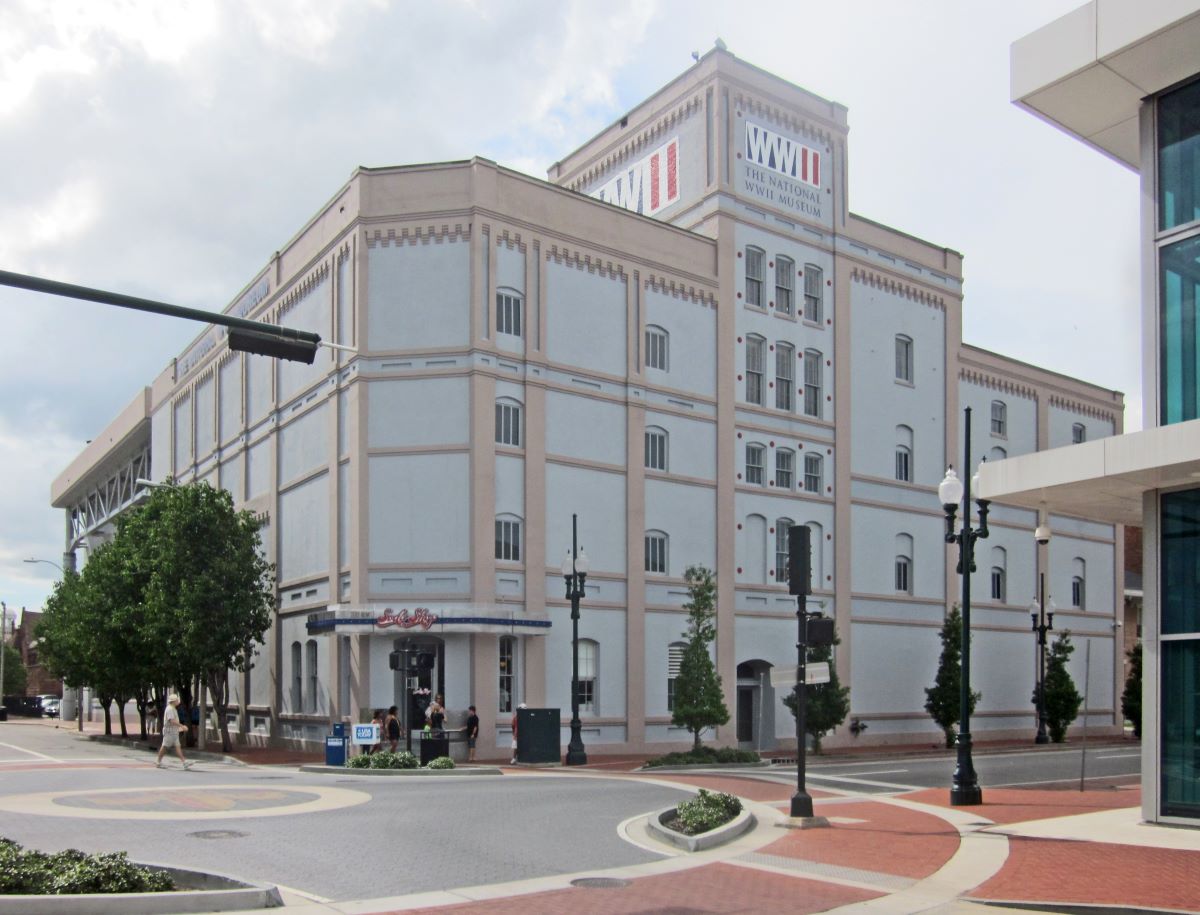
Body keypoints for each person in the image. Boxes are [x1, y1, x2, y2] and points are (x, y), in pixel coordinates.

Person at [156, 695, 193, 769]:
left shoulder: (173, 709)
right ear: (173, 701)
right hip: (169, 732)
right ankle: (158, 761)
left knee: (177, 746)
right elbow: (172, 720)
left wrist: (179, 728)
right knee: (165, 747)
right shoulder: (169, 709)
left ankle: (184, 762)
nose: (178, 701)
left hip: (174, 732)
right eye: (176, 700)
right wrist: (182, 726)